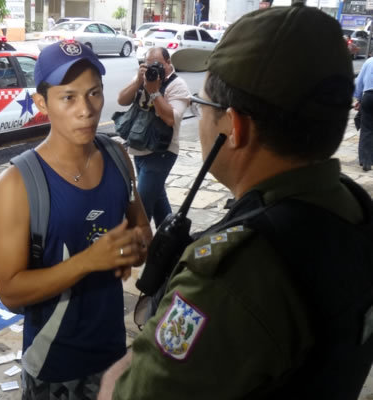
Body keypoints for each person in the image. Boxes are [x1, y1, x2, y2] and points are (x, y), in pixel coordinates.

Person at [98, 5, 373, 400]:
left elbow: (130, 393)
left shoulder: (232, 275)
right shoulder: (355, 206)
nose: (202, 116)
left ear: (235, 126)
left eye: (205, 106)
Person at [0, 40, 152, 399]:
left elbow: (141, 230)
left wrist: (134, 248)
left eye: (94, 93)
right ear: (42, 103)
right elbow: (10, 291)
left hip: (112, 350)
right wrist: (89, 261)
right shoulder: (16, 184)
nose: (87, 110)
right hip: (53, 366)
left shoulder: (117, 157)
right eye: (69, 97)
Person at [117, 47, 190, 227]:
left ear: (168, 63)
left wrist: (155, 91)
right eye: (149, 65)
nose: (153, 69)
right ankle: (171, 242)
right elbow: (122, 100)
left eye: (158, 65)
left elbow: (170, 118)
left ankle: (144, 249)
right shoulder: (143, 79)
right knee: (158, 199)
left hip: (161, 152)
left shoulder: (177, 85)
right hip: (139, 149)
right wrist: (137, 82)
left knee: (142, 207)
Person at [354, 56, 373, 171]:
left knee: (367, 129)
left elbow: (359, 81)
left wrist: (359, 99)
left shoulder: (369, 61)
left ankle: (366, 161)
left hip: (369, 96)